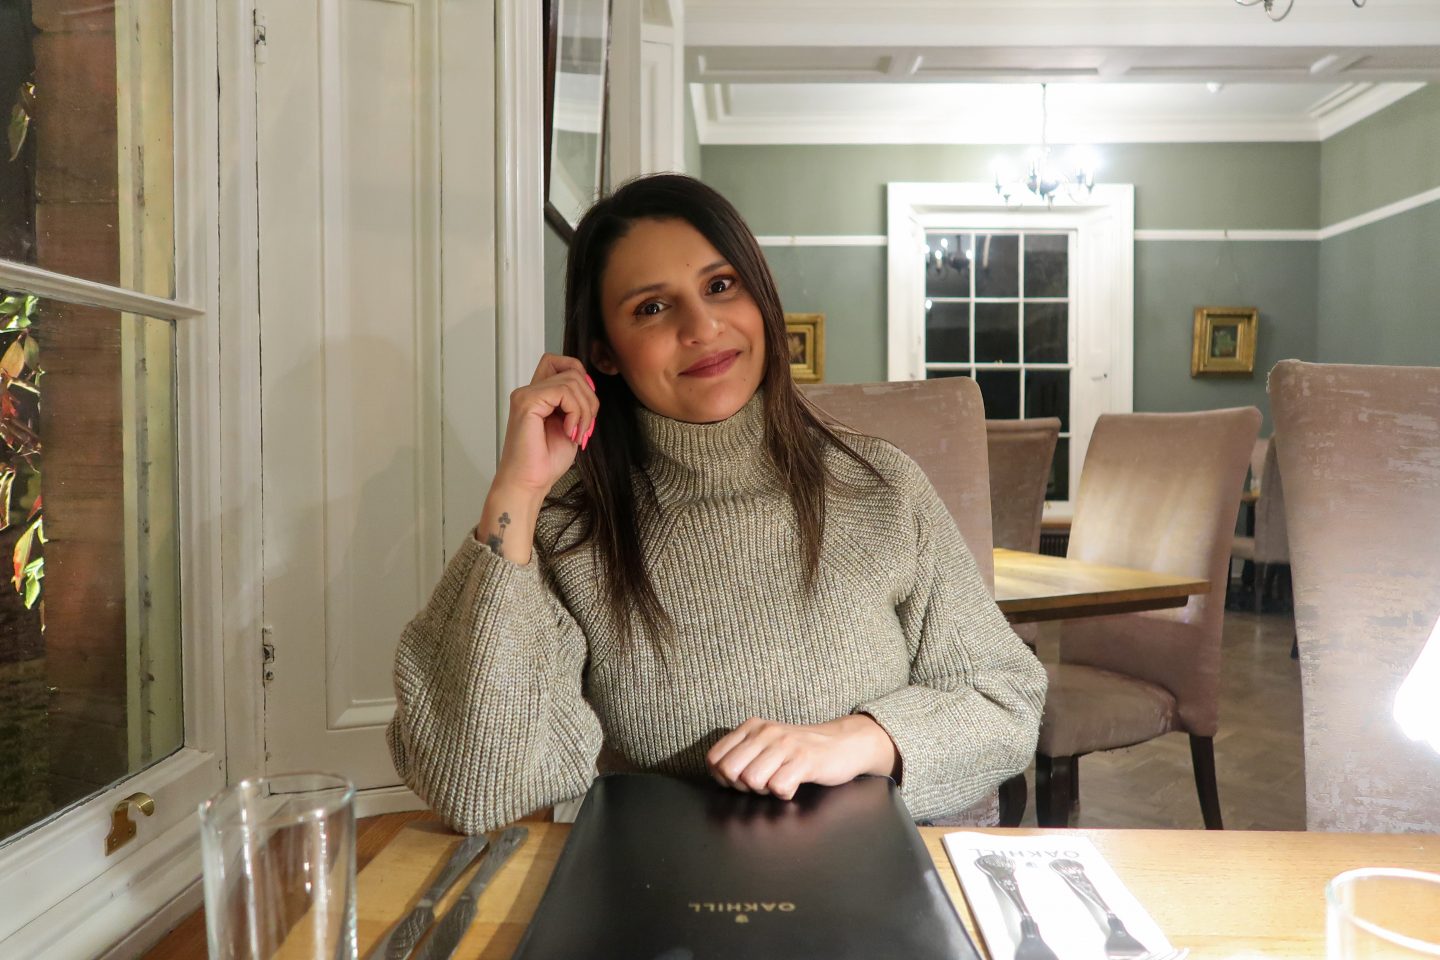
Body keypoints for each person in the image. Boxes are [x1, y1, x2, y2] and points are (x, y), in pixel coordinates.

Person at [388, 174, 1046, 834]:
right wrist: (518, 491)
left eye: (721, 286)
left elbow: (1005, 700)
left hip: (872, 875)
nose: (702, 327)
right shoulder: (569, 532)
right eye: (651, 308)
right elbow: (476, 787)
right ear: (603, 355)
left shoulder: (882, 487)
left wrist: (856, 741)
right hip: (661, 892)